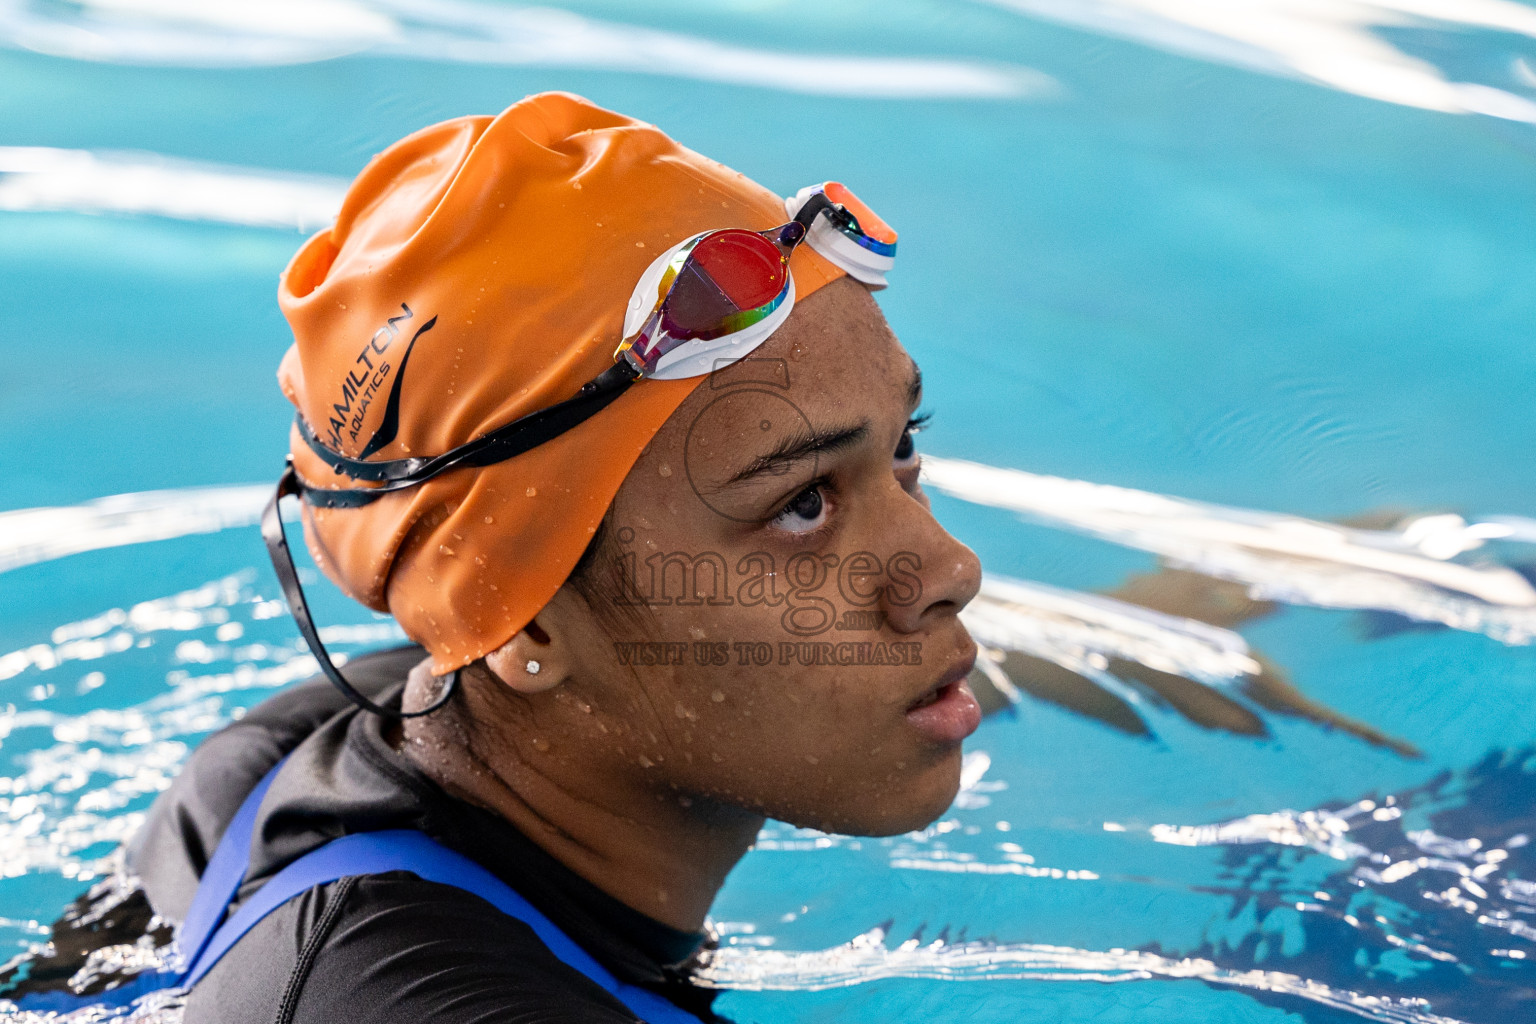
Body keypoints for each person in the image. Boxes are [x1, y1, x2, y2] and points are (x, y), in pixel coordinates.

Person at [115, 91, 984, 1022]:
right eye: (801, 506)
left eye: (902, 448)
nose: (950, 570)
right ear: (522, 618)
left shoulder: (340, 736)